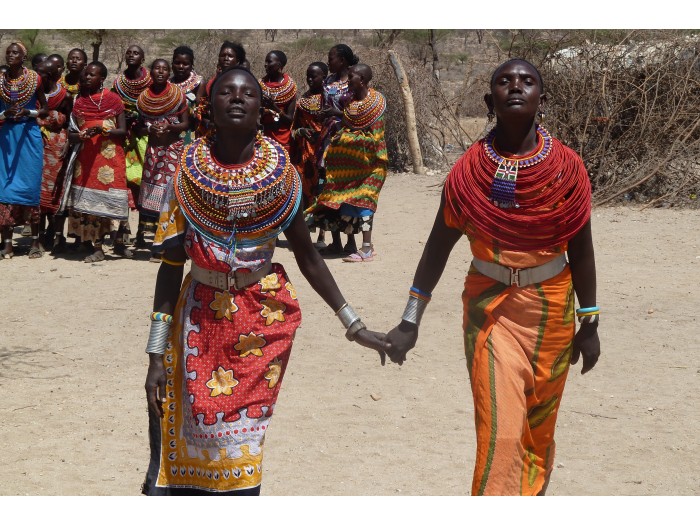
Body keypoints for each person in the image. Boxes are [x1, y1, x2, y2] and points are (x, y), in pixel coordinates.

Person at [141, 66, 389, 496]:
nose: (237, 99)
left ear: (262, 109)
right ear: (209, 107)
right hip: (197, 321)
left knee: (242, 449)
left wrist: (354, 324)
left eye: (248, 94)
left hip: (261, 323)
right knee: (188, 436)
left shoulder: (281, 177)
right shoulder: (184, 175)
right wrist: (155, 354)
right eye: (227, 93)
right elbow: (170, 266)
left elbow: (309, 257)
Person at [385, 59, 600, 496]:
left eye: (527, 81)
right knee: (501, 432)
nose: (515, 87)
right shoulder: (466, 175)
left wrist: (590, 322)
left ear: (543, 97)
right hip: (491, 311)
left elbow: (581, 248)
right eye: (504, 81)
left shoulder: (567, 170)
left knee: (538, 429)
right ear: (490, 100)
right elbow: (436, 249)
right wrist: (410, 320)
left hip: (552, 312)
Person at [305, 64, 387, 263]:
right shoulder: (351, 102)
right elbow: (347, 127)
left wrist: (347, 140)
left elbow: (375, 139)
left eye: (352, 77)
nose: (348, 81)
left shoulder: (375, 103)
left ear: (363, 81)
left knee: (367, 203)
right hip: (350, 168)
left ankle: (366, 248)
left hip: (371, 164)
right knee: (349, 205)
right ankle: (356, 245)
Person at [64, 61, 129, 263]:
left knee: (109, 202)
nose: (86, 78)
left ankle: (119, 243)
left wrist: (103, 130)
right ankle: (96, 247)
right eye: (85, 75)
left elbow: (123, 131)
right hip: (85, 160)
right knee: (88, 205)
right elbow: (70, 134)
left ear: (102, 79)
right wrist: (81, 135)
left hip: (109, 159)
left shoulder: (113, 100)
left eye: (92, 75)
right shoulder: (77, 101)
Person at [136, 59, 189, 261]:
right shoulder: (143, 98)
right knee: (154, 201)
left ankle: (169, 246)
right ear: (151, 71)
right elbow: (138, 127)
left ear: (169, 73)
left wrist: (168, 127)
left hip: (173, 150)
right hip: (153, 152)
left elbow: (185, 124)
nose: (161, 71)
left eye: (164, 68)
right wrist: (151, 128)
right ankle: (158, 245)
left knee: (172, 197)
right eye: (157, 68)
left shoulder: (177, 95)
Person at [0, 42, 49, 260]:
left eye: (15, 53)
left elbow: (45, 108)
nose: (11, 56)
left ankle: (35, 242)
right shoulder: (0, 81)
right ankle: (7, 244)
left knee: (30, 186)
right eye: (8, 52)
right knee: (5, 188)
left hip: (29, 135)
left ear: (24, 56)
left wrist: (28, 112)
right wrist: (5, 114)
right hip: (7, 136)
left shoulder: (35, 79)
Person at [313, 43, 358, 254]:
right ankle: (335, 241)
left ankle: (351, 242)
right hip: (328, 138)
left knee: (347, 190)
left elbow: (361, 111)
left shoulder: (355, 80)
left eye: (332, 58)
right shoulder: (328, 81)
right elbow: (325, 105)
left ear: (343, 60)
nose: (328, 61)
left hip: (347, 140)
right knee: (328, 189)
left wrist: (338, 114)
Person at [113, 44, 152, 254]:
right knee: (124, 185)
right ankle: (121, 233)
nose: (131, 55)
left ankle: (141, 234)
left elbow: (156, 106)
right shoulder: (118, 83)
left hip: (144, 138)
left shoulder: (151, 82)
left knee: (144, 185)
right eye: (128, 52)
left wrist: (140, 120)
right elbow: (113, 106)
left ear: (143, 58)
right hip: (124, 138)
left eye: (136, 52)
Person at [36, 59, 72, 253]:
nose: (35, 75)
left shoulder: (64, 96)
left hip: (57, 148)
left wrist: (67, 143)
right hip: (36, 145)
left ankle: (58, 236)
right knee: (38, 192)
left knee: (57, 191)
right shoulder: (33, 94)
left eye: (39, 72)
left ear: (48, 76)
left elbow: (69, 123)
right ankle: (40, 237)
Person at [290, 61, 327, 208]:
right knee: (305, 186)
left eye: (313, 76)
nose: (309, 79)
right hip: (305, 152)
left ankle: (323, 228)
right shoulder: (302, 101)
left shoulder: (330, 99)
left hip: (324, 150)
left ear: (324, 77)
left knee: (323, 186)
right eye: (308, 77)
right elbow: (293, 128)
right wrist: (301, 132)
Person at [192, 41, 245, 137]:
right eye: (222, 55)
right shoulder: (213, 82)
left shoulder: (243, 82)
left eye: (230, 56)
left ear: (237, 61)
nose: (226, 58)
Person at [259, 50, 297, 153]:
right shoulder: (260, 85)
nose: (265, 64)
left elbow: (290, 120)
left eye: (269, 62)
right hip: (264, 137)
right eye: (265, 61)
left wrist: (273, 108)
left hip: (283, 138)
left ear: (279, 64)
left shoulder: (289, 87)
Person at [169, 45, 202, 145]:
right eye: (177, 63)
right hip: (169, 134)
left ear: (191, 65)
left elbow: (201, 111)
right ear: (172, 64)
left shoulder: (198, 83)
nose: (181, 67)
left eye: (185, 64)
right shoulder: (166, 84)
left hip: (191, 135)